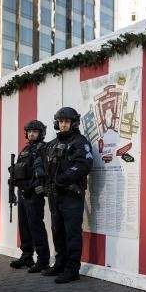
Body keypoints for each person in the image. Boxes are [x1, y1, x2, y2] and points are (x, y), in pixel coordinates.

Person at [41, 107, 93, 283]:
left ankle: (72, 270)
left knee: (72, 233)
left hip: (71, 195)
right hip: (55, 195)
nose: (63, 124)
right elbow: (44, 165)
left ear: (73, 123)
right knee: (57, 231)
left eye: (67, 121)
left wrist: (63, 178)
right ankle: (60, 264)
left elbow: (84, 164)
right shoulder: (52, 144)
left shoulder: (80, 142)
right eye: (61, 121)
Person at [9, 120, 50, 272]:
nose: (32, 133)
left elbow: (44, 172)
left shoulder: (43, 149)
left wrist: (31, 188)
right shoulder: (25, 150)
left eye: (35, 131)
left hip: (34, 193)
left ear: (41, 133)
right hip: (22, 193)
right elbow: (21, 170)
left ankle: (43, 260)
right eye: (29, 131)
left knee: (36, 226)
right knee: (24, 226)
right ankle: (27, 256)